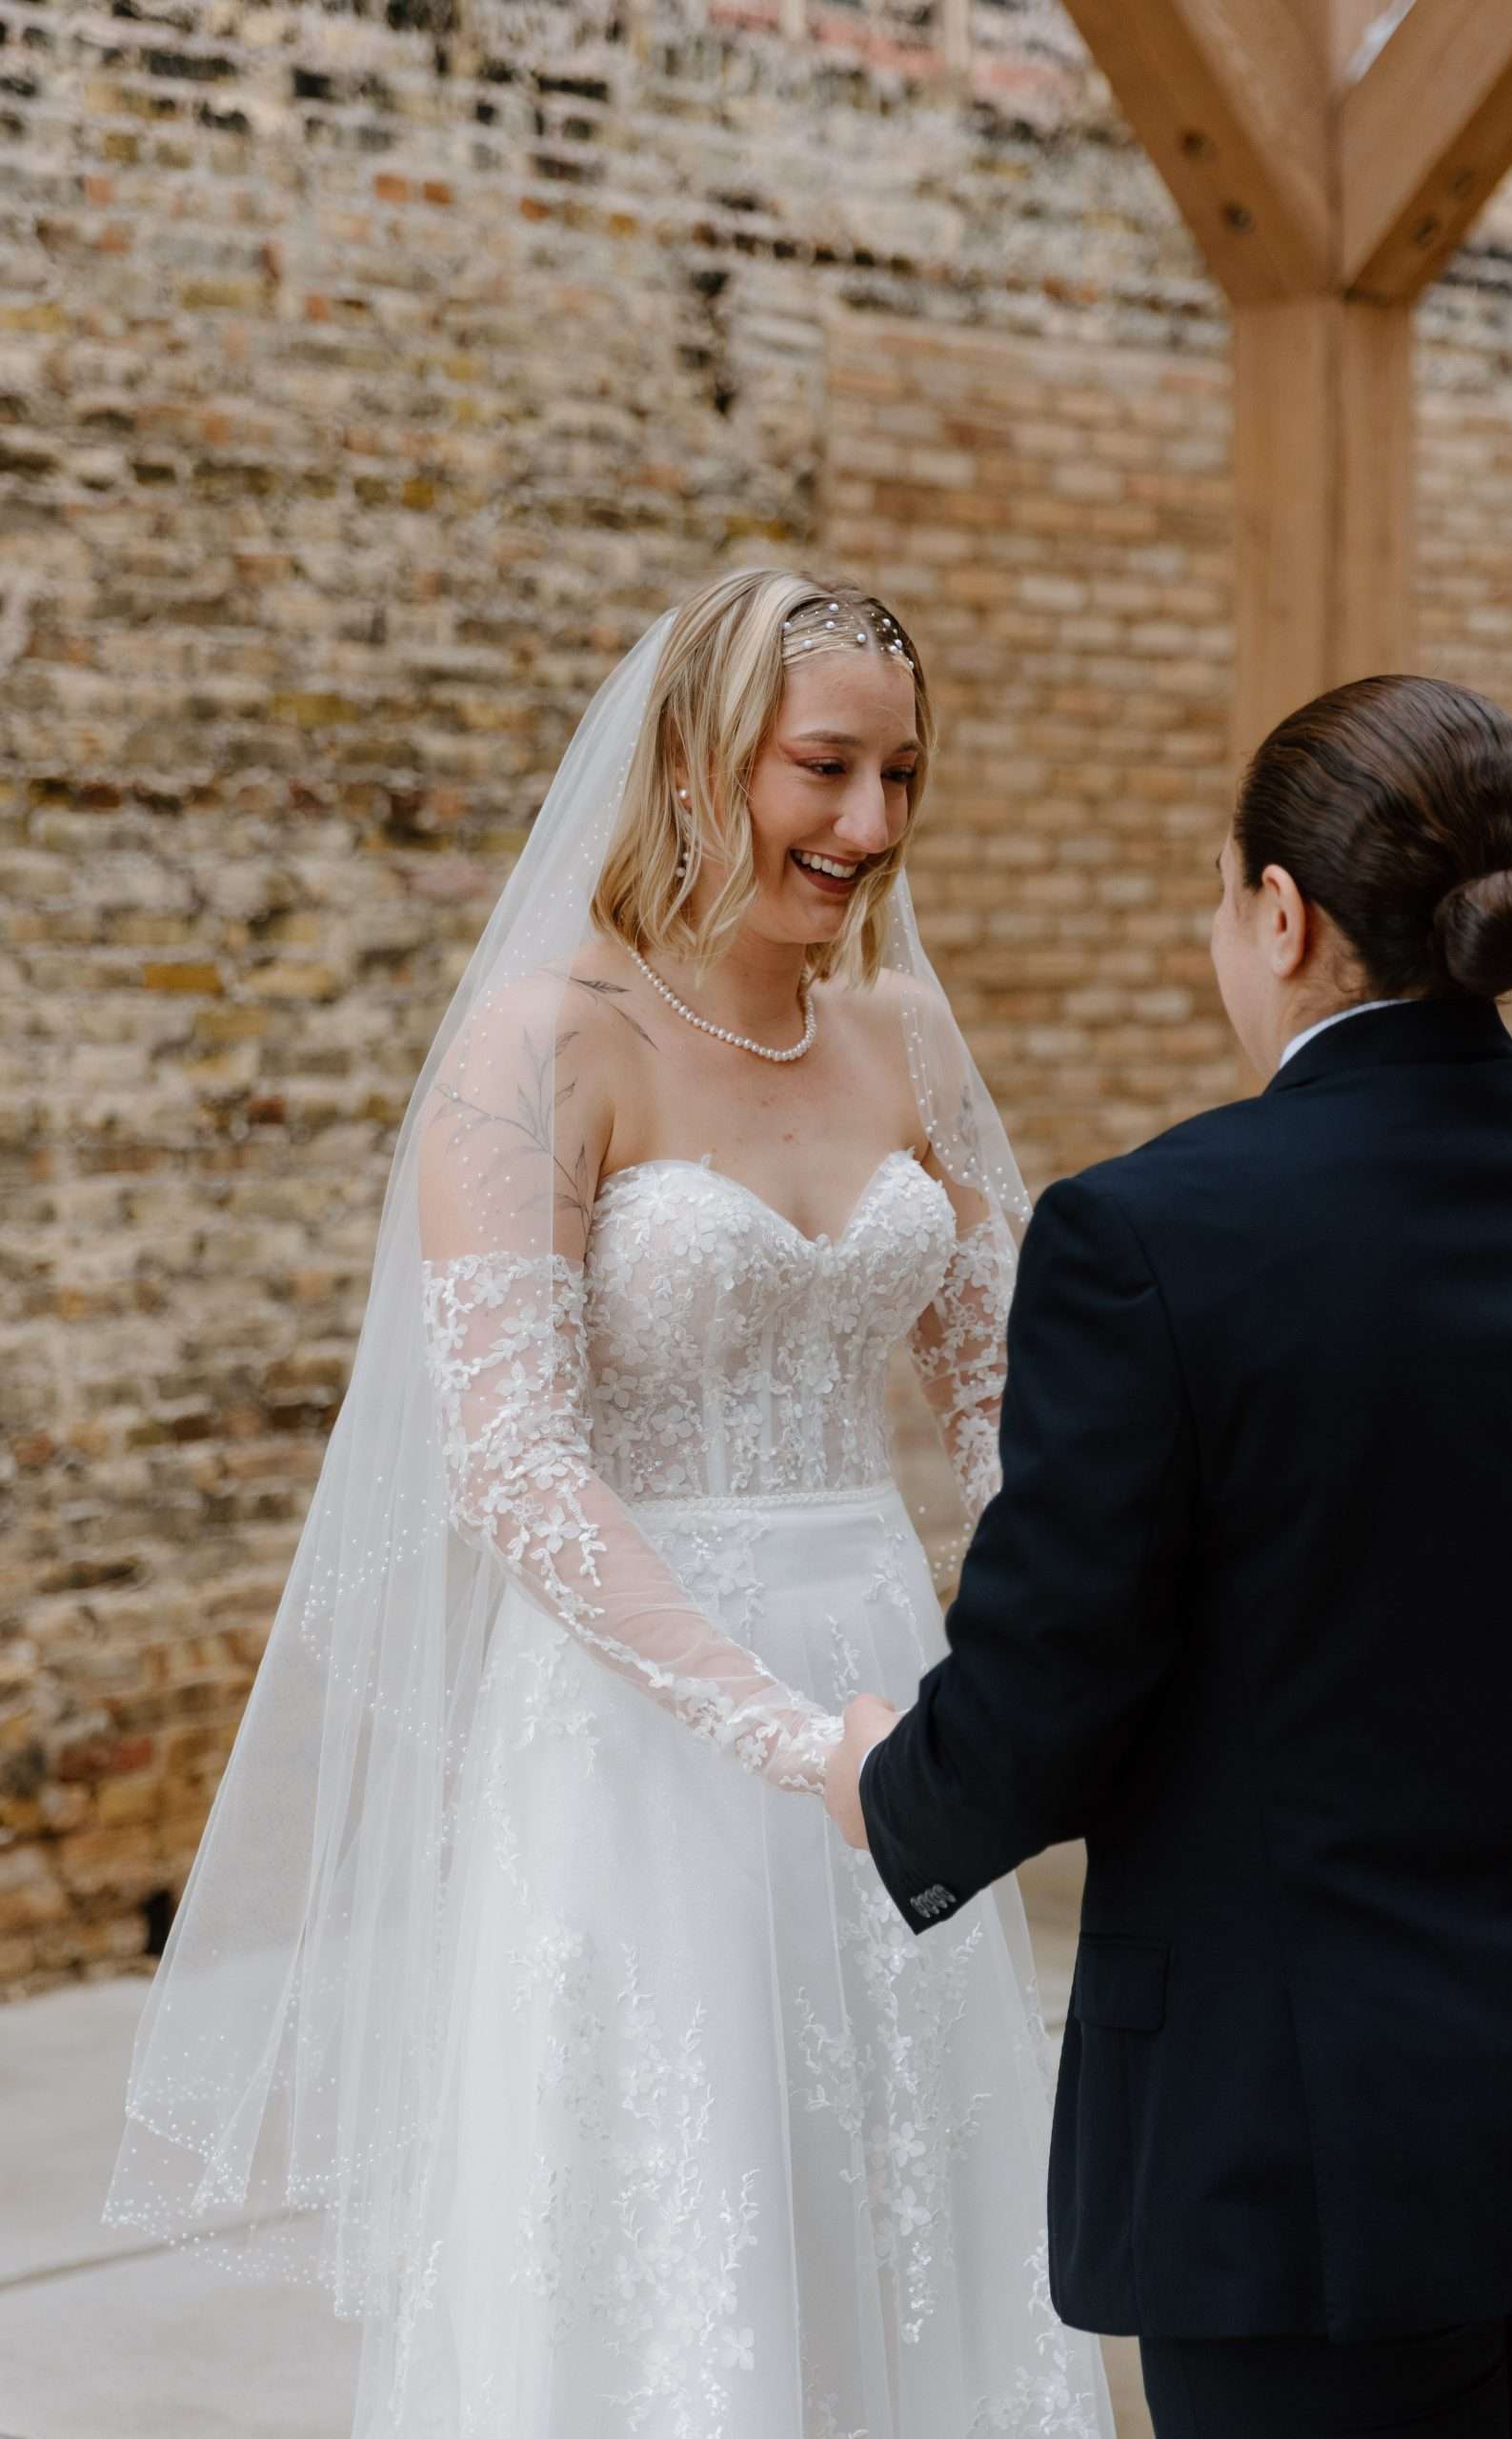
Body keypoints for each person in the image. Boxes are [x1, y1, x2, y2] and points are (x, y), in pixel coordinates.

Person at [102, 567, 1115, 2436]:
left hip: (898, 1699)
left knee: (905, 2208)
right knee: (687, 2232)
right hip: (648, 1733)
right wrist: (787, 1737)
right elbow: (512, 1467)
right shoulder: (541, 1045)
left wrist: (1039, 1659)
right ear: (690, 757)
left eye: (902, 775)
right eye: (821, 769)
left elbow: (1014, 1403)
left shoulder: (903, 1037)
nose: (869, 826)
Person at [831, 673, 1512, 2436]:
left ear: (1281, 913)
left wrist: (889, 1790)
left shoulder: (1152, 1236)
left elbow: (1055, 1684)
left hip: (1300, 2160)